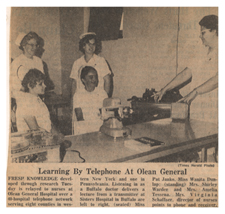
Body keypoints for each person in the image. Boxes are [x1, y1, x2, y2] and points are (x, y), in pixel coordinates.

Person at [153, 15, 218, 125]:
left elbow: (218, 80)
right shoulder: (202, 52)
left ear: (214, 31)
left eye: (203, 33)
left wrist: (195, 91)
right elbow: (187, 73)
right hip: (197, 109)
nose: (200, 36)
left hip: (215, 111)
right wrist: (165, 89)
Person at [16, 68, 59, 135]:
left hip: (44, 138)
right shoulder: (25, 103)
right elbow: (35, 131)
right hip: (33, 141)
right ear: (30, 85)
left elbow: (48, 124)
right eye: (40, 84)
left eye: (43, 83)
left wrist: (59, 136)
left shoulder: (38, 100)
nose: (45, 86)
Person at [70, 32, 112, 99]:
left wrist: (105, 99)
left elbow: (107, 81)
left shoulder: (101, 61)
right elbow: (74, 83)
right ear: (83, 46)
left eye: (93, 44)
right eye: (89, 44)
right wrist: (73, 101)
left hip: (97, 98)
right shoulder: (77, 63)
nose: (91, 47)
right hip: (81, 98)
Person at [73, 66, 108, 135]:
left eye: (95, 76)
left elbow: (105, 114)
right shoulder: (78, 95)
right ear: (83, 80)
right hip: (84, 130)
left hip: (100, 128)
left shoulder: (102, 93)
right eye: (90, 77)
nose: (94, 79)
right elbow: (80, 118)